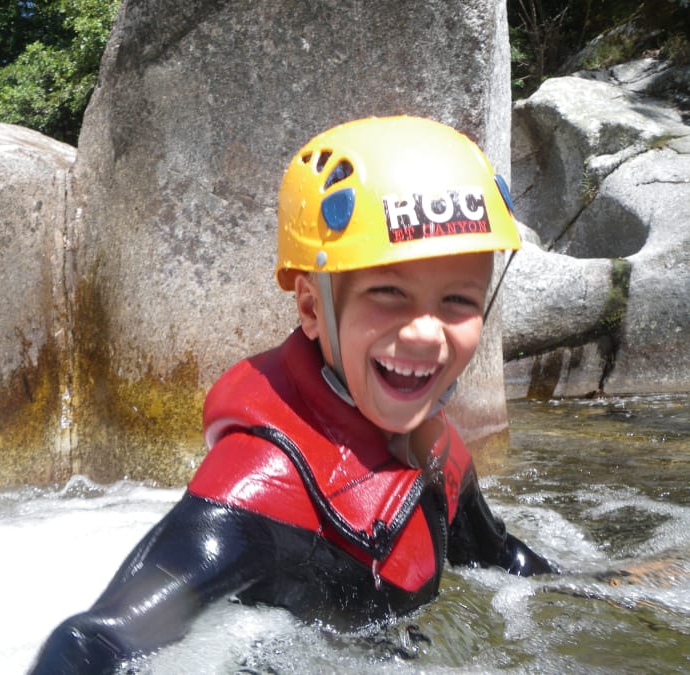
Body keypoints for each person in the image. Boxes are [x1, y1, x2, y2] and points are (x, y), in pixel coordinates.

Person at [29, 116, 559, 674]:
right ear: (311, 308)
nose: (426, 333)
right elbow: (94, 644)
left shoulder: (434, 450)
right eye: (388, 292)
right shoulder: (258, 488)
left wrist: (622, 584)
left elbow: (501, 560)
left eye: (458, 301)